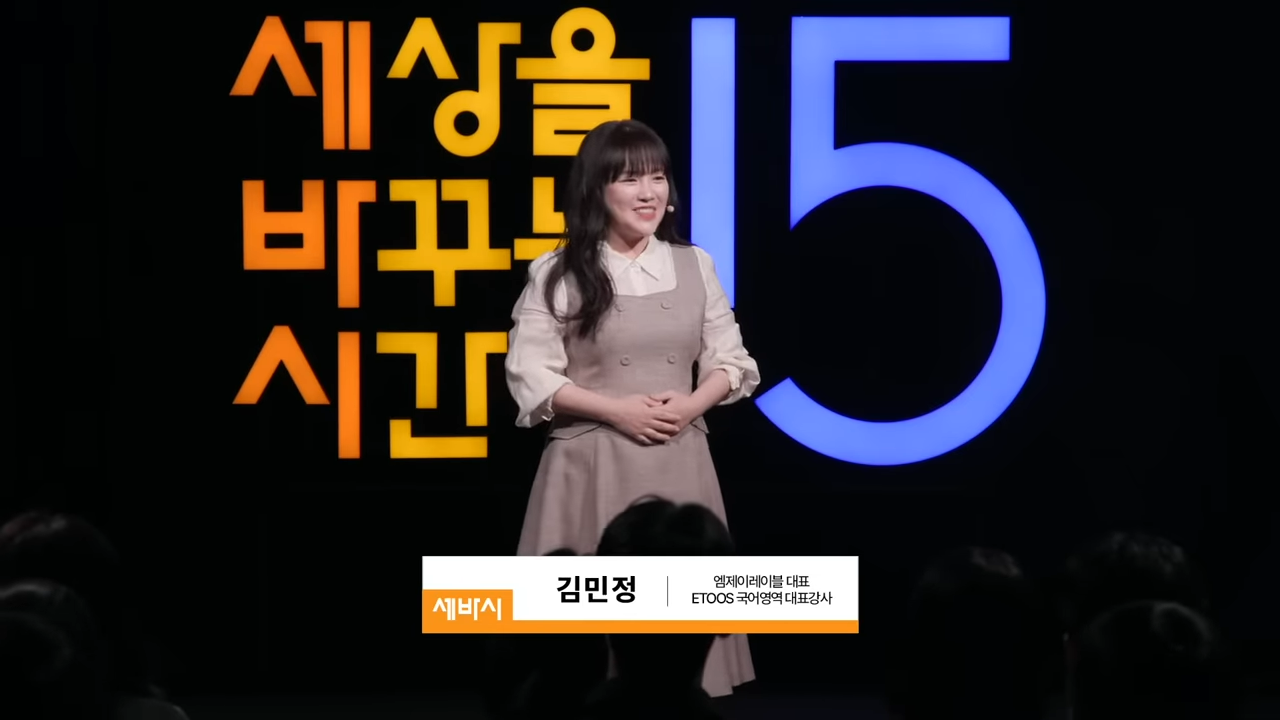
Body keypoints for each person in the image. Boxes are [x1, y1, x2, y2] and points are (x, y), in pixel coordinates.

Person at [504, 119, 759, 697]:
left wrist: (691, 404)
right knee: (586, 656)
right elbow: (530, 374)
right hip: (591, 465)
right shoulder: (557, 271)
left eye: (658, 177)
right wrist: (617, 411)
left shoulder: (695, 264)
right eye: (629, 179)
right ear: (596, 189)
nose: (649, 193)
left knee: (678, 639)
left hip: (678, 460)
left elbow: (731, 360)